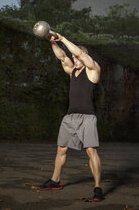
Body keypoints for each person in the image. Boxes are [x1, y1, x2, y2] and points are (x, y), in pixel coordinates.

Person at [39, 33, 105, 202]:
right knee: (61, 149)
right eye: (74, 58)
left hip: (87, 117)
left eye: (76, 57)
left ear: (84, 57)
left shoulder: (93, 70)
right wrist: (53, 42)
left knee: (91, 151)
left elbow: (81, 55)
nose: (74, 60)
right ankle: (55, 181)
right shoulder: (72, 71)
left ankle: (97, 187)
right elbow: (62, 57)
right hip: (70, 117)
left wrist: (63, 39)